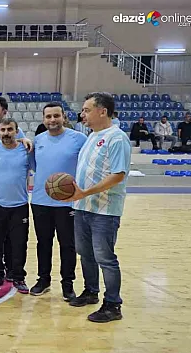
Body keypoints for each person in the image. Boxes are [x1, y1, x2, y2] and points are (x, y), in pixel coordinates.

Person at [65, 92, 131, 323]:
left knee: (105, 258)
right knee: (85, 254)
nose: (82, 114)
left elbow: (118, 175)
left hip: (105, 210)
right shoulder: (91, 136)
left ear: (102, 111)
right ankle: (91, 291)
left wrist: (85, 192)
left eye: (86, 109)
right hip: (83, 207)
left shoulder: (117, 138)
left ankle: (113, 304)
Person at [29, 102, 87, 301]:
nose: (52, 120)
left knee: (67, 244)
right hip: (40, 200)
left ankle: (67, 283)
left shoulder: (79, 139)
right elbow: (35, 167)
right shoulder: (37, 141)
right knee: (43, 243)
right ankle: (43, 280)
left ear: (64, 117)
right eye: (48, 117)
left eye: (56, 116)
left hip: (68, 202)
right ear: (43, 119)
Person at [0, 118, 31, 293]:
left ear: (17, 131)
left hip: (19, 205)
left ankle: (18, 276)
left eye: (10, 129)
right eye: (3, 130)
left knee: (19, 243)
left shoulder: (26, 151)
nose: (6, 133)